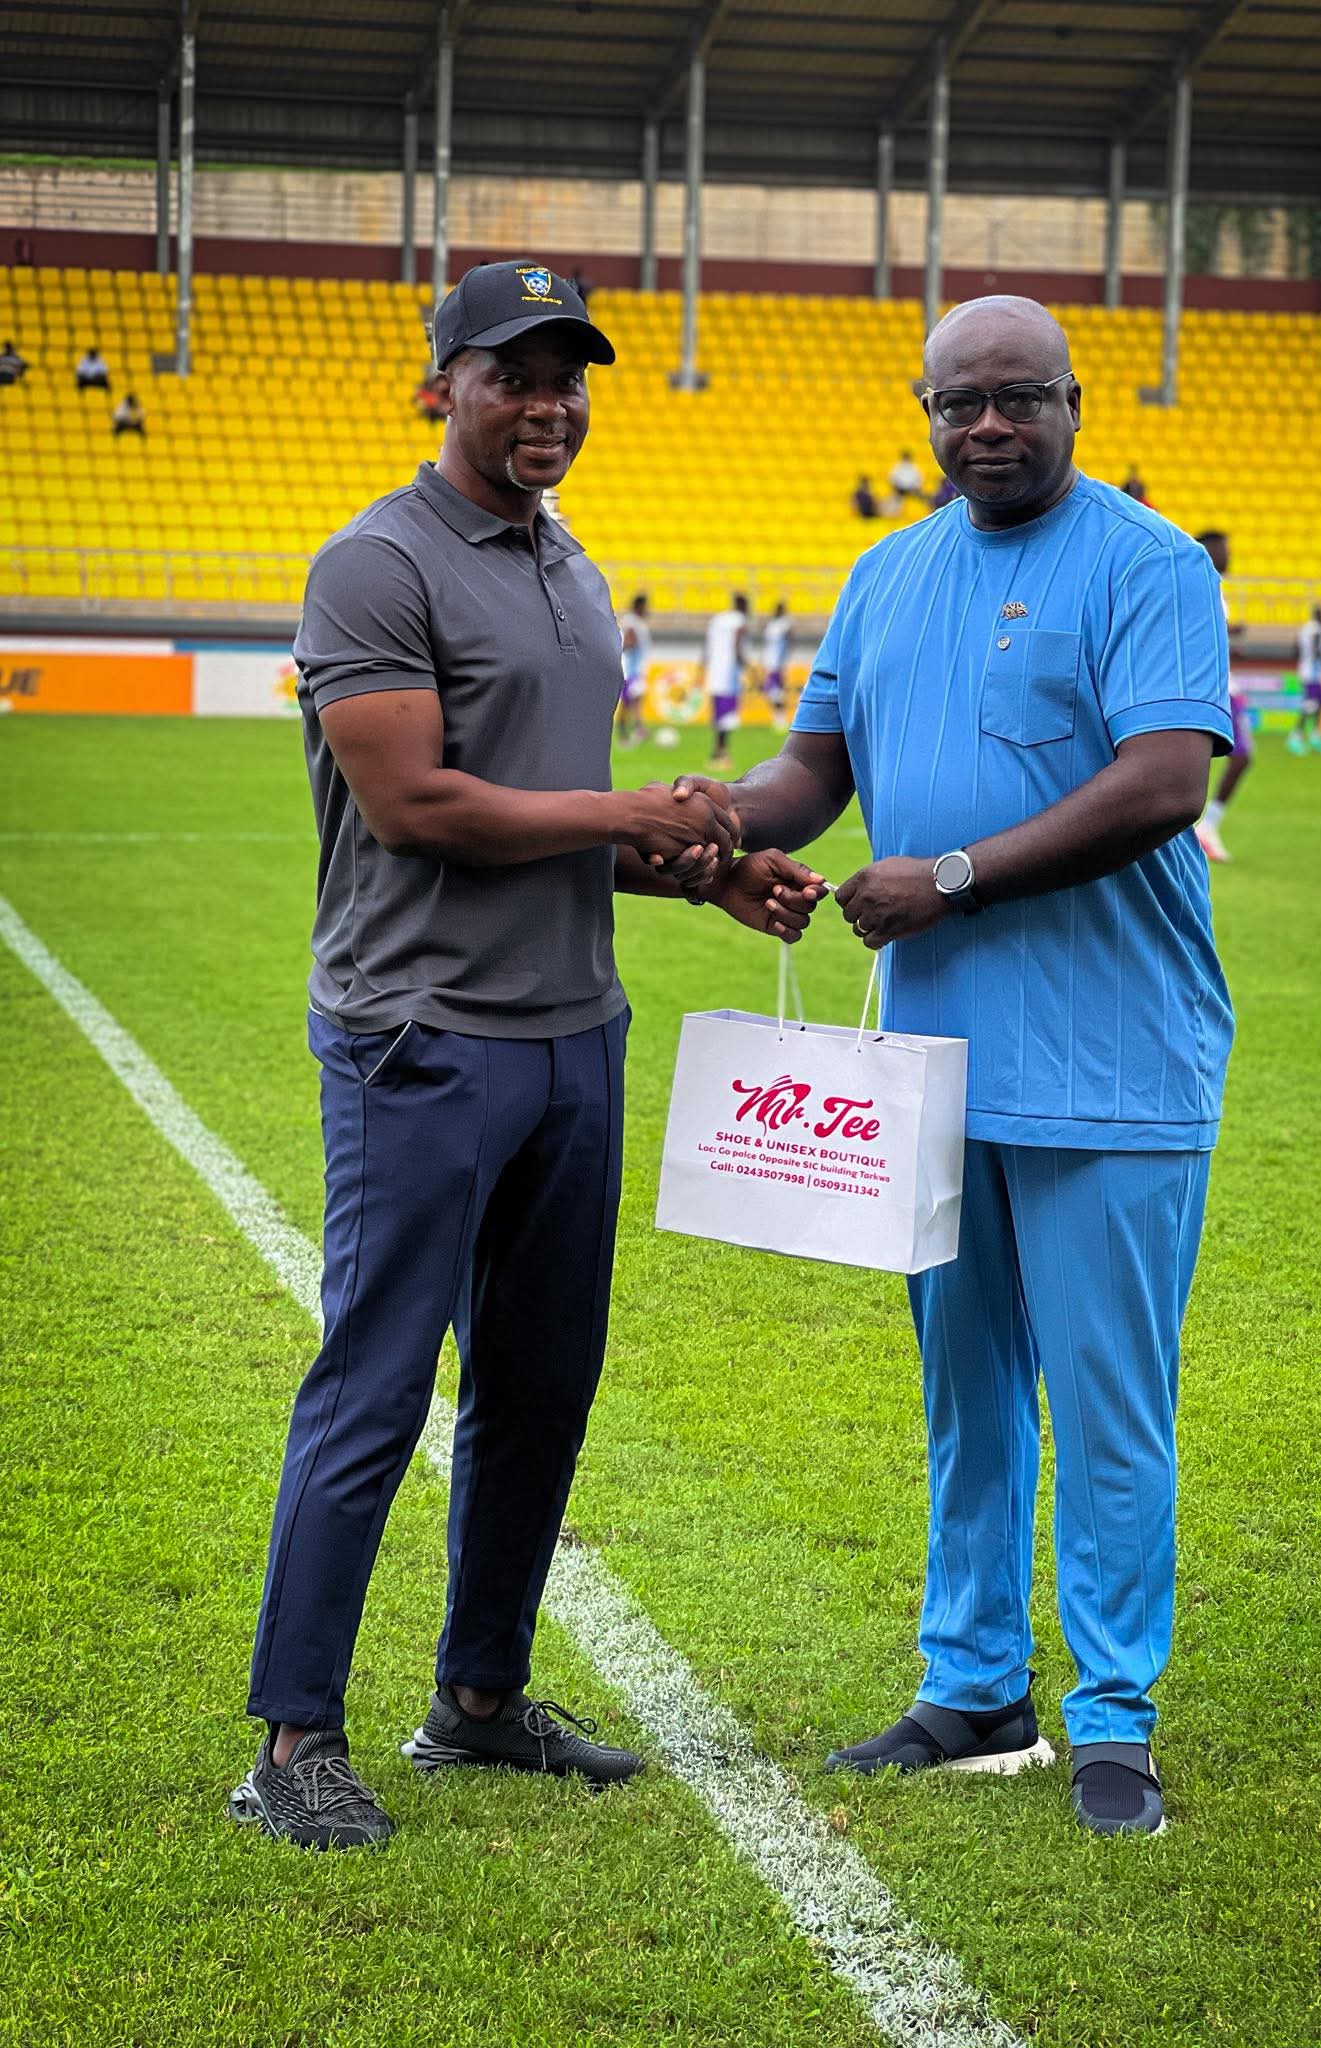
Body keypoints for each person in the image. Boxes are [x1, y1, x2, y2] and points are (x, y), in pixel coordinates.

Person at [231, 262, 823, 1851]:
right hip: (418, 1035)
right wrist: (640, 810)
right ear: (445, 387)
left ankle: (480, 1700)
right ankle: (292, 1740)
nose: (548, 405)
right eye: (515, 375)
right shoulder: (375, 562)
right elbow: (418, 804)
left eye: (570, 379)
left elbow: (550, 811)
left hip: (574, 1032)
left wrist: (702, 876)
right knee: (375, 1383)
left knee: (545, 1382)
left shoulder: (569, 562)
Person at [675, 295, 1233, 1838]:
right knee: (966, 1390)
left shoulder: (1148, 564)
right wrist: (718, 817)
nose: (986, 425)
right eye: (957, 403)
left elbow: (1163, 783)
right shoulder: (887, 573)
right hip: (928, 1069)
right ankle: (976, 1685)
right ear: (924, 415)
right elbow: (817, 768)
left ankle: (1114, 1715)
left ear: (1073, 402)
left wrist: (956, 877)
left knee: (1110, 1405)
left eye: (1017, 398)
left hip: (1113, 1063)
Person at [1192, 530, 1249, 864]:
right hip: (1216, 689)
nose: (1229, 554)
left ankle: (1204, 828)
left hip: (1224, 686)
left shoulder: (1213, 587)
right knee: (1239, 758)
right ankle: (1206, 828)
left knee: (1233, 758)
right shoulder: (1202, 584)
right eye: (1224, 549)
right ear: (1209, 550)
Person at [704, 592, 748, 771]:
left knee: (719, 717)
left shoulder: (717, 619)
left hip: (715, 672)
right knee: (728, 718)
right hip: (729, 674)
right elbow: (737, 640)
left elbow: (707, 645)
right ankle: (721, 755)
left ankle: (717, 753)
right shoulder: (739, 620)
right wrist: (743, 662)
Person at [1289, 603, 1321, 754]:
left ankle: (1315, 736)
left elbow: (1295, 648)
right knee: (1310, 706)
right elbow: (1316, 649)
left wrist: (1303, 659)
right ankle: (1296, 736)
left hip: (1307, 671)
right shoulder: (1317, 629)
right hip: (1313, 674)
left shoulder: (1305, 628)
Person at [616, 590, 651, 747]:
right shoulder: (632, 621)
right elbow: (628, 641)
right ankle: (629, 732)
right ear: (639, 606)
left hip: (636, 669)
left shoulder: (636, 621)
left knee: (633, 701)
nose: (647, 609)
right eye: (645, 606)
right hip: (630, 670)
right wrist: (631, 644)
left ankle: (635, 729)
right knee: (630, 702)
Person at [760, 599, 792, 733]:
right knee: (772, 692)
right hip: (769, 662)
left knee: (776, 692)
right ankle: (778, 717)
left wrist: (785, 655)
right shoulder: (772, 624)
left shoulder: (784, 623)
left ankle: (780, 718)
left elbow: (789, 635)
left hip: (777, 663)